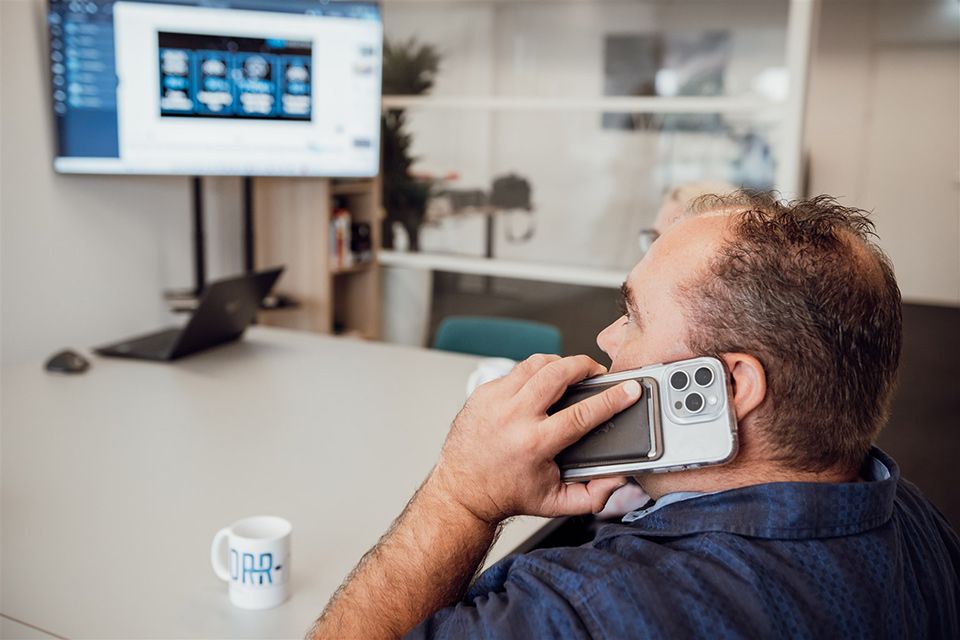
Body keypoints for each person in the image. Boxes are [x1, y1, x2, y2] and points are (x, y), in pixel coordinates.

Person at [308, 191, 960, 639]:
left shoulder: (584, 610)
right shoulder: (918, 522)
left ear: (730, 386)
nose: (606, 338)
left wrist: (460, 497)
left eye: (633, 316)